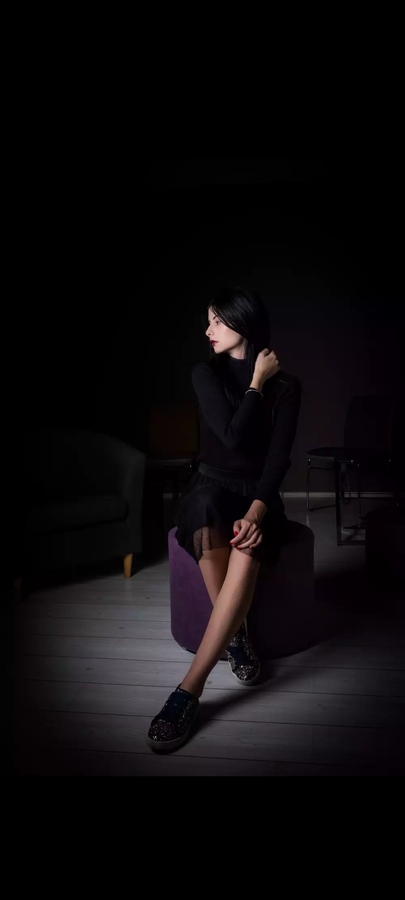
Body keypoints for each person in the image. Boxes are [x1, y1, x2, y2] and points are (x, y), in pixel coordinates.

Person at [147, 287, 302, 752]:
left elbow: (277, 460)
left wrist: (257, 509)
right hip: (210, 488)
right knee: (204, 509)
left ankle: (188, 690)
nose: (208, 330)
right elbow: (232, 438)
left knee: (249, 540)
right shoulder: (205, 374)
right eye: (208, 321)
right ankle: (236, 637)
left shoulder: (287, 387)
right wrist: (255, 383)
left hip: (258, 494)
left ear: (243, 322)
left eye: (217, 320)